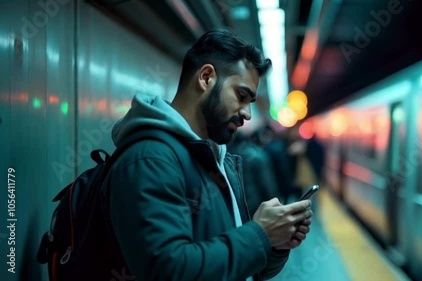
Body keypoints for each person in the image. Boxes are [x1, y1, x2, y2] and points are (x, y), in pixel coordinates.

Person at [100, 29, 313, 281]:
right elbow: (170, 271)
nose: (247, 114)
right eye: (241, 96)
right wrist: (260, 234)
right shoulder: (150, 159)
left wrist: (276, 242)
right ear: (206, 77)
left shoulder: (214, 158)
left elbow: (227, 260)